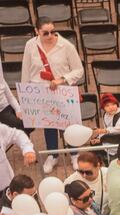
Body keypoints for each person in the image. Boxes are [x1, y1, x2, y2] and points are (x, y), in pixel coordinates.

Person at [21, 17, 84, 162]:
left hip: (62, 90)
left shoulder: (66, 45)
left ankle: (74, 154)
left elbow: (78, 70)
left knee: (67, 124)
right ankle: (53, 155)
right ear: (37, 31)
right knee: (48, 124)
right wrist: (25, 97)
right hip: (42, 91)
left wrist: (62, 79)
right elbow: (26, 70)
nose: (50, 36)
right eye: (45, 33)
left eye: (52, 32)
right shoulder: (30, 45)